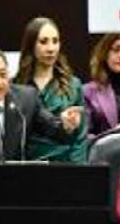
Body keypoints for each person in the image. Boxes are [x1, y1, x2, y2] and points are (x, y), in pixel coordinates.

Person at [13, 17, 87, 162]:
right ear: (31, 45)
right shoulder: (15, 86)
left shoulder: (73, 85)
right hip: (28, 165)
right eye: (43, 42)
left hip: (65, 164)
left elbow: (80, 138)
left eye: (55, 41)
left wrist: (77, 169)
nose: (51, 48)